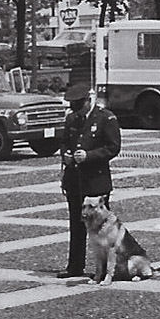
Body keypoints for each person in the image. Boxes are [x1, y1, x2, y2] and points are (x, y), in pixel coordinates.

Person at [58, 81, 121, 279]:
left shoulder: (105, 118)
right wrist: (66, 156)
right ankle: (74, 266)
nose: (75, 109)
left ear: (88, 101)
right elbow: (65, 143)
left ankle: (104, 269)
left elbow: (113, 147)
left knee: (102, 229)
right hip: (75, 180)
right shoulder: (72, 119)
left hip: (95, 181)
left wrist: (89, 155)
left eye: (78, 104)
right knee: (76, 226)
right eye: (72, 105)